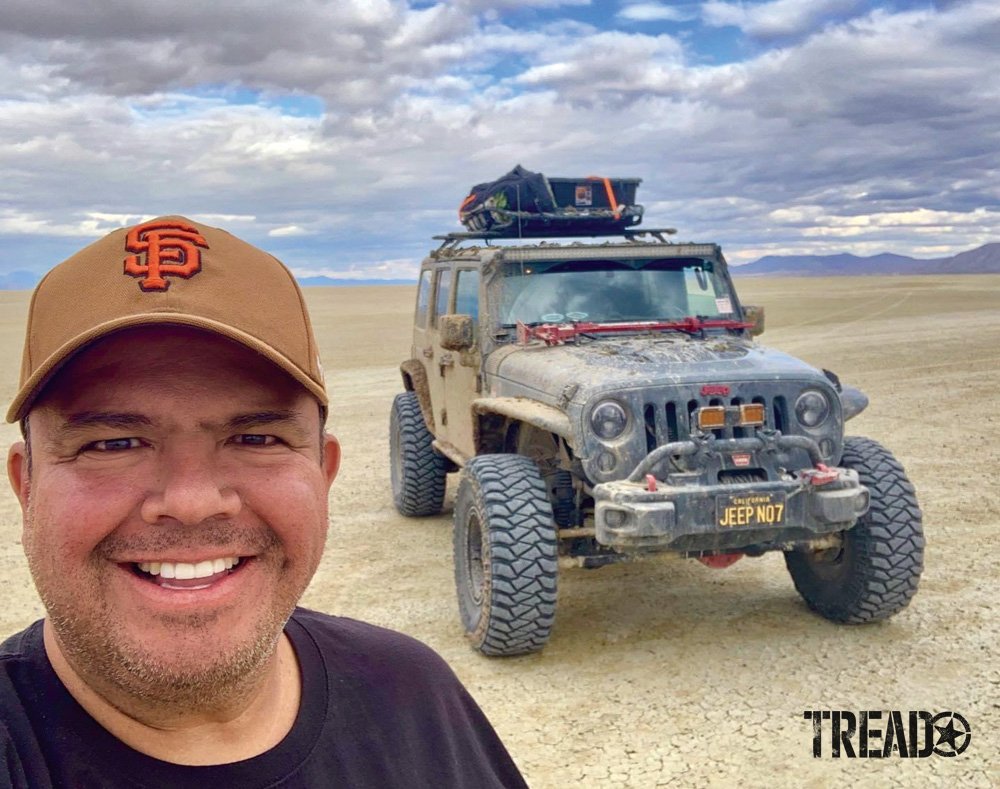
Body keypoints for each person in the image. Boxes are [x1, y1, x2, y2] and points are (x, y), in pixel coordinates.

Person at [0, 217, 528, 788]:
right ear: (27, 486)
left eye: (256, 439)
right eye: (112, 444)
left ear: (323, 474)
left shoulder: (409, 692)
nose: (193, 501)